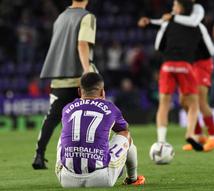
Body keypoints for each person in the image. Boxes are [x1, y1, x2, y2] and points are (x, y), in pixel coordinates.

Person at [32, 0, 98, 169]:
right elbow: (82, 43)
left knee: (52, 117)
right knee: (87, 118)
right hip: (79, 78)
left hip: (58, 78)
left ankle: (39, 155)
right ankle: (87, 158)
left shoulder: (60, 18)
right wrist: (87, 72)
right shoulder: (87, 16)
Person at [55, 72, 145, 187]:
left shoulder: (67, 109)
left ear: (79, 91)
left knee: (64, 135)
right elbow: (124, 129)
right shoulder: (110, 108)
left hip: (67, 180)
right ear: (102, 92)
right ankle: (132, 179)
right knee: (125, 135)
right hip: (101, 178)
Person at [138, 0, 204, 151]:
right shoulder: (195, 26)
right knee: (193, 104)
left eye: (175, 5)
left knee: (164, 104)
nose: (172, 8)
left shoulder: (169, 23)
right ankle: (190, 134)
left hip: (167, 66)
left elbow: (158, 46)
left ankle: (161, 141)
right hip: (185, 66)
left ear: (181, 7)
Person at [160, 4, 214, 151]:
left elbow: (210, 50)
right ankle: (198, 135)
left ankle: (213, 136)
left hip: (202, 63)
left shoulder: (196, 25)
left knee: (199, 100)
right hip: (189, 64)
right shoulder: (179, 25)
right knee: (183, 100)